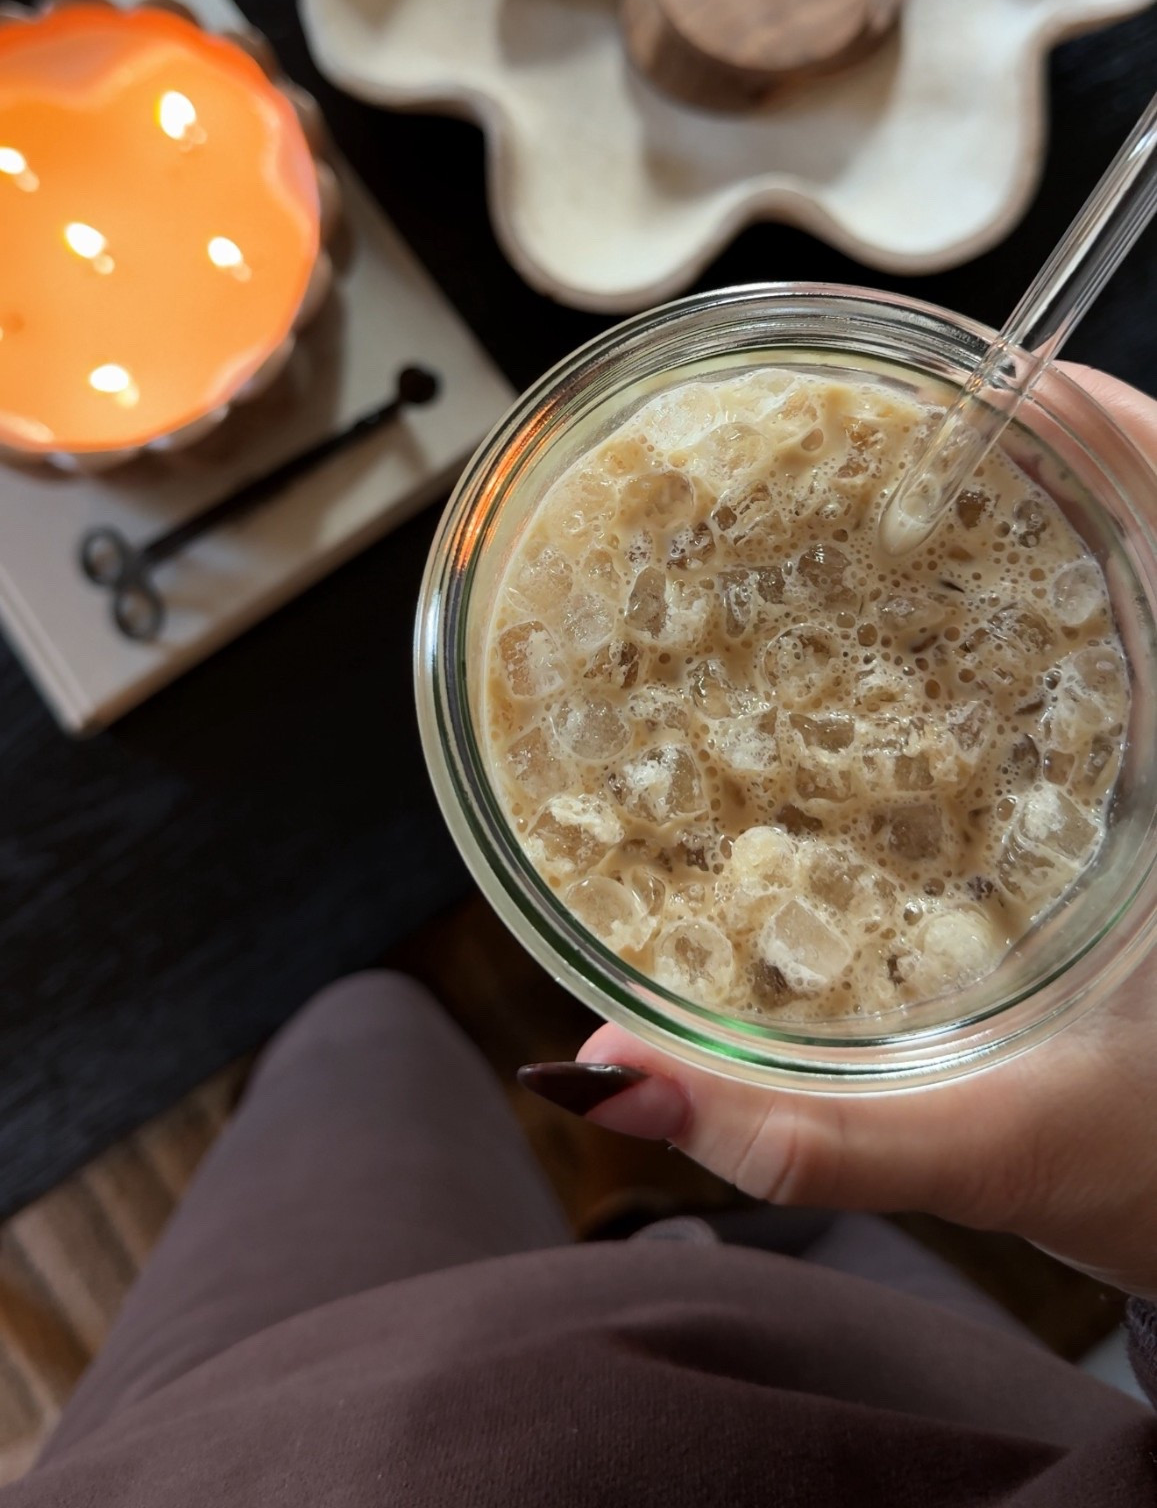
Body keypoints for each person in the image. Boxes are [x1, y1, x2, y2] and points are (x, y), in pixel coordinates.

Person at [11, 366, 1157, 1504]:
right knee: (806, 1245)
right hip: (924, 1418)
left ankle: (589, 1169)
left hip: (271, 1451)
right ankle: (652, 1215)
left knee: (359, 1043)